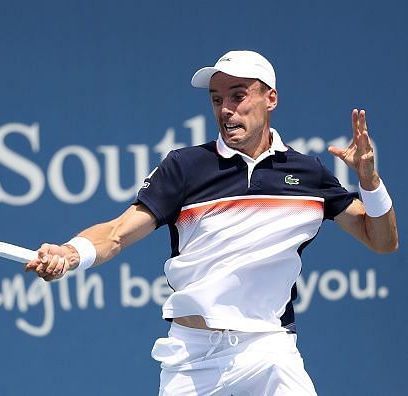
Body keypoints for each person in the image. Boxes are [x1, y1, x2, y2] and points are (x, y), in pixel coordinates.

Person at [24, 50, 398, 395]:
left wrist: (370, 183)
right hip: (192, 356)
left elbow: (381, 240)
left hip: (269, 349)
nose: (225, 110)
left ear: (271, 98)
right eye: (217, 100)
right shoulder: (185, 167)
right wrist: (72, 253)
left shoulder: (308, 174)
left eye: (238, 96)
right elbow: (118, 234)